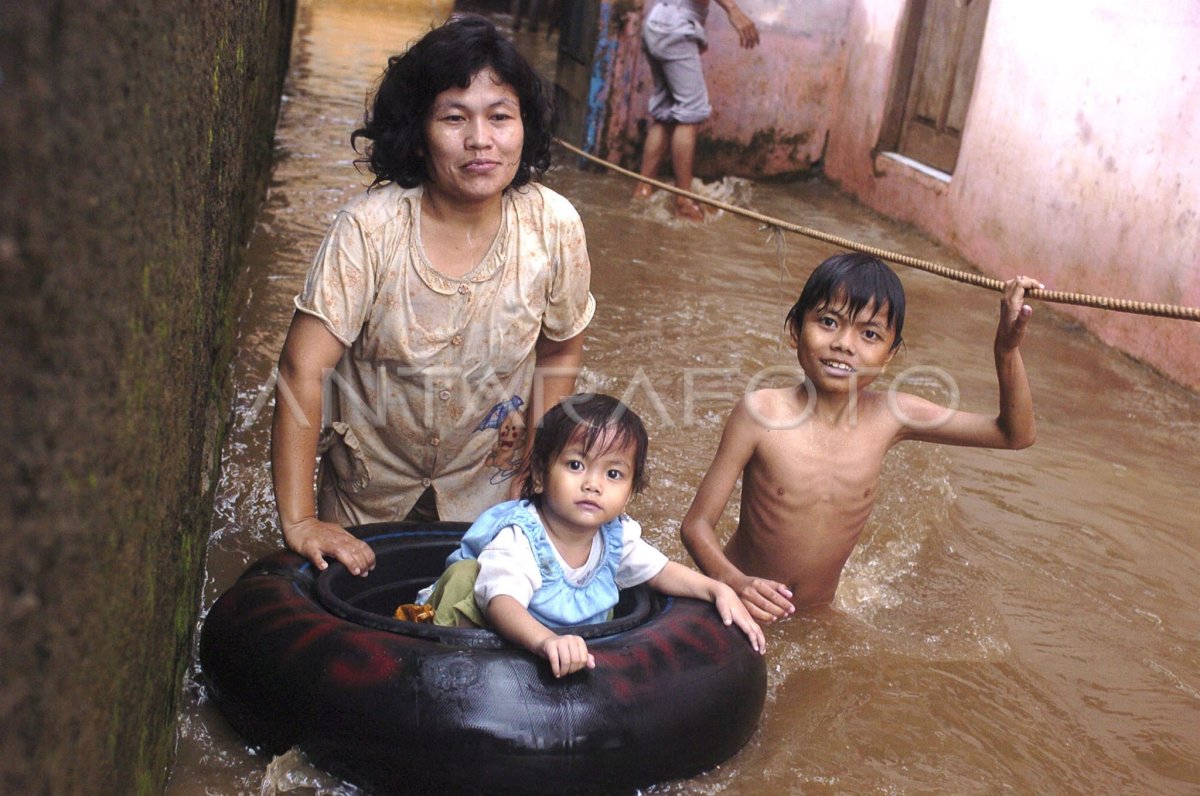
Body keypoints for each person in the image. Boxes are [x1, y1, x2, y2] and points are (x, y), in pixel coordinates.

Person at [272, 15, 595, 578]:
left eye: (500, 117)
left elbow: (560, 352)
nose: (480, 140)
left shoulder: (553, 226)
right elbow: (302, 369)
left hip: (492, 489)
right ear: (418, 131)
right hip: (366, 491)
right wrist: (299, 520)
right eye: (454, 117)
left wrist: (539, 474)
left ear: (526, 126)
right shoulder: (368, 231)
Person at [681, 253, 1041, 621]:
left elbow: (1014, 434)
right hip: (740, 605)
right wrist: (734, 582)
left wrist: (1007, 351)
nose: (844, 344)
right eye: (827, 321)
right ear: (795, 330)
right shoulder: (761, 413)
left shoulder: (892, 415)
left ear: (889, 355)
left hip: (817, 616)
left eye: (869, 334)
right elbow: (696, 526)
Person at [419, 393, 765, 677]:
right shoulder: (520, 537)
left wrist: (717, 588)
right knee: (468, 578)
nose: (593, 484)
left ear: (631, 491)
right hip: (478, 642)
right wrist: (545, 642)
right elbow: (502, 602)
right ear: (540, 471)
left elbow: (661, 572)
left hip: (571, 647)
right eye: (575, 465)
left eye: (613, 473)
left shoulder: (615, 537)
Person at [632, 0, 760, 221]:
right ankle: (684, 200)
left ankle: (643, 190)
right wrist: (733, 9)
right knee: (692, 112)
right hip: (676, 26)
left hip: (660, 22)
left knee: (665, 112)